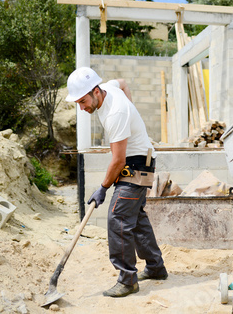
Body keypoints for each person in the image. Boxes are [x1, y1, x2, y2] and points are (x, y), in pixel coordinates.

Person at [66, 67, 168, 298]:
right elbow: (122, 82)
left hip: (135, 165)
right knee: (136, 218)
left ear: (96, 92)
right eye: (78, 103)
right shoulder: (110, 88)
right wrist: (134, 112)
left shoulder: (116, 114)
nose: (82, 108)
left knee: (118, 218)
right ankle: (155, 268)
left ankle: (127, 280)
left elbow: (118, 160)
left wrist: (102, 188)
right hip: (139, 161)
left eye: (83, 101)